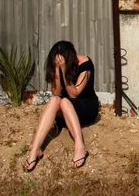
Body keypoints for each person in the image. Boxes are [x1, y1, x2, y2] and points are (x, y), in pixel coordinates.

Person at [24, 40, 99, 172]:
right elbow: (57, 93)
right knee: (54, 100)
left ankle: (80, 147)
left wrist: (64, 71)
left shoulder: (85, 65)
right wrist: (57, 71)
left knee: (64, 101)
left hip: (86, 108)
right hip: (67, 111)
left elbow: (74, 94)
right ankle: (35, 150)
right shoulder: (58, 66)